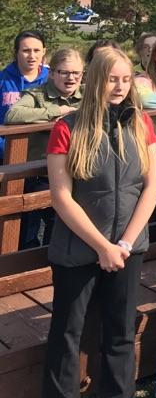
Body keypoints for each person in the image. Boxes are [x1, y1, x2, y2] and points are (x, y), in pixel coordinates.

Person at [43, 47, 156, 398]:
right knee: (67, 333)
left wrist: (123, 244)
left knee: (121, 333)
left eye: (125, 79)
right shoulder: (67, 127)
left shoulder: (142, 124)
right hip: (77, 249)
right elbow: (61, 196)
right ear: (96, 80)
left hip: (127, 248)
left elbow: (152, 186)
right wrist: (102, 247)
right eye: (112, 79)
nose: (120, 86)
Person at [8, 46, 84, 249]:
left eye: (76, 73)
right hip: (39, 174)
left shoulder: (87, 97)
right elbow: (13, 115)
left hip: (75, 173)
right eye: (64, 72)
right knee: (26, 231)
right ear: (51, 73)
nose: (71, 78)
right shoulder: (37, 94)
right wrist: (56, 111)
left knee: (60, 228)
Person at [0, 30, 49, 158]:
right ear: (16, 52)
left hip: (43, 157)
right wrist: (5, 149)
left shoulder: (53, 80)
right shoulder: (3, 80)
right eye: (26, 51)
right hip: (6, 154)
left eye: (37, 50)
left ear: (44, 51)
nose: (32, 56)